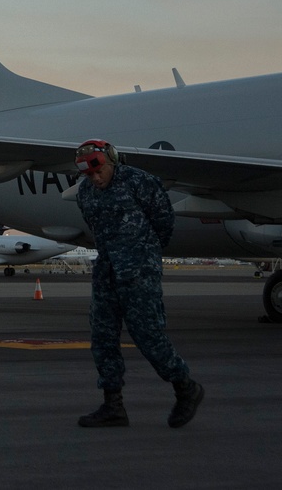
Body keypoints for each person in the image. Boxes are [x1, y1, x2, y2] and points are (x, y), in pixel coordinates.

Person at [74, 139, 204, 428]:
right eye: (89, 175)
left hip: (139, 271)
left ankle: (186, 388)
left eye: (99, 171)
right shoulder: (85, 192)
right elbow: (94, 227)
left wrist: (144, 254)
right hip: (107, 270)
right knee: (103, 336)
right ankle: (113, 406)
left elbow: (164, 221)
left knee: (147, 334)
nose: (95, 178)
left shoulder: (140, 182)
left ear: (112, 161)